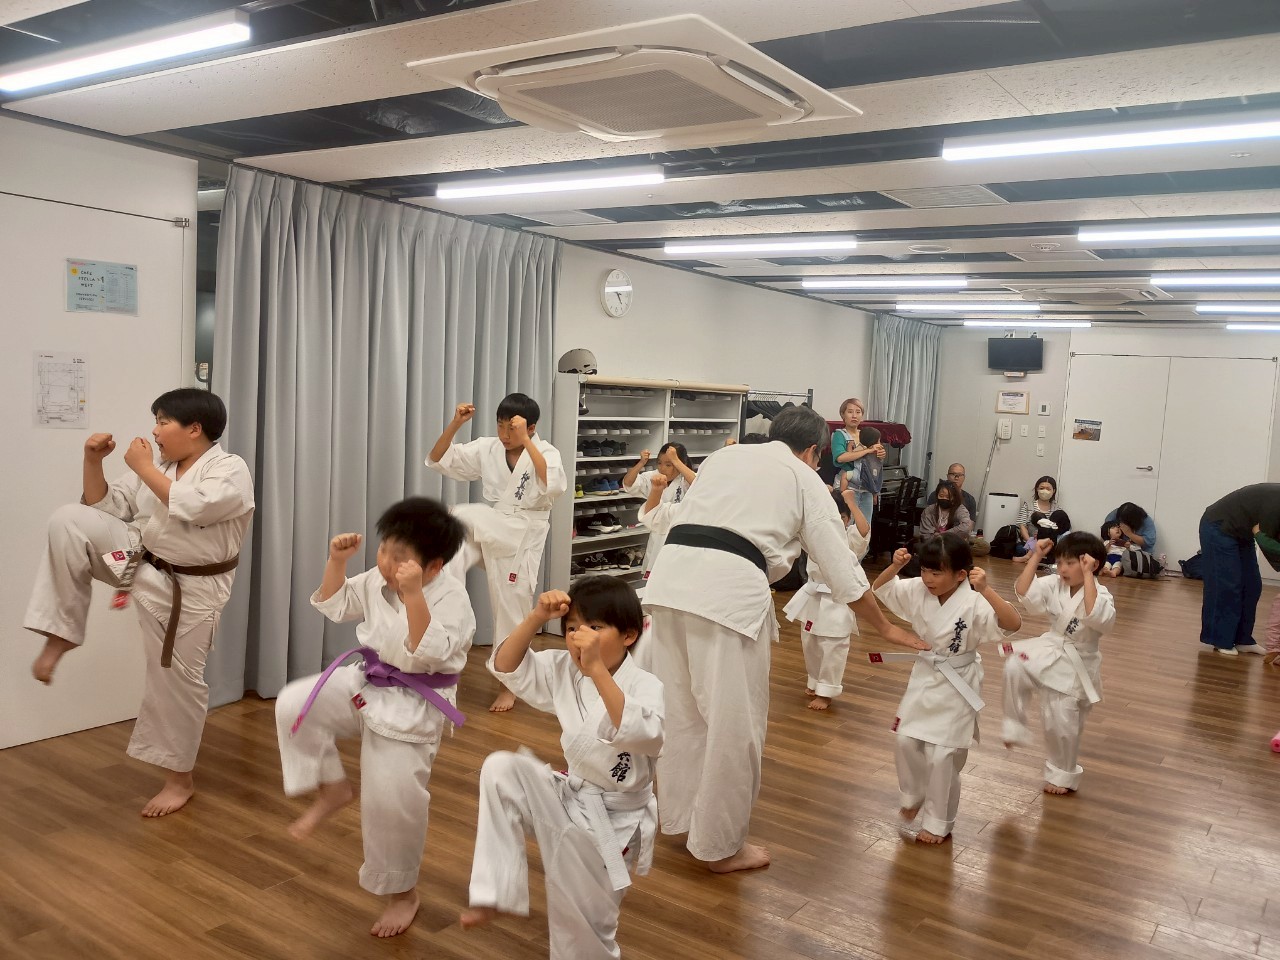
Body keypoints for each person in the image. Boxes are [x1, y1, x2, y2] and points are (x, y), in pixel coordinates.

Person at [642, 405, 927, 874]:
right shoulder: (804, 478)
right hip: (727, 593)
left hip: (668, 582)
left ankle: (682, 819)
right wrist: (886, 627)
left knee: (683, 711)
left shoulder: (723, 458)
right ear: (814, 451)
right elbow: (841, 567)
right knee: (733, 725)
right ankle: (719, 845)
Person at [24, 388, 253, 818]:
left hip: (193, 590)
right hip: (139, 563)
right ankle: (61, 633)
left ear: (195, 428)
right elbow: (106, 506)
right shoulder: (162, 465)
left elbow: (195, 509)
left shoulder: (229, 468)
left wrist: (143, 467)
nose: (155, 430)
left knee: (176, 681)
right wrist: (93, 460)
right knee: (69, 520)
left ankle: (179, 780)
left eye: (163, 421)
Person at [275, 498, 473, 938]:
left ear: (434, 566)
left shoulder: (452, 599)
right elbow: (336, 603)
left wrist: (414, 595)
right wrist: (337, 561)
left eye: (400, 557)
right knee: (294, 704)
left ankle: (403, 895)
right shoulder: (376, 578)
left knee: (391, 802)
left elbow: (429, 652)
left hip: (414, 703)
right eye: (384, 549)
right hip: (366, 681)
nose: (386, 562)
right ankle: (332, 788)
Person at [460, 578, 662, 960]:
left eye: (594, 627)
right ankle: (496, 891)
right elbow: (507, 666)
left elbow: (642, 734)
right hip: (571, 797)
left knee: (584, 926)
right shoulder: (565, 670)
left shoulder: (645, 685)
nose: (578, 638)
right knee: (501, 769)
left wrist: (598, 670)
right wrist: (536, 617)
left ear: (629, 635)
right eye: (571, 628)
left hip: (613, 819)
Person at [871, 533, 1020, 843]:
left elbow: (1012, 623)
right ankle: (914, 794)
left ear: (961, 574)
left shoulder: (973, 600)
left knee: (943, 754)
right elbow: (880, 589)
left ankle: (939, 822)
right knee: (905, 739)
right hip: (926, 674)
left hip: (959, 679)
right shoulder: (918, 588)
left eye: (937, 572)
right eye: (925, 570)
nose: (928, 578)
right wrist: (894, 566)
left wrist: (987, 589)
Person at [427, 394, 567, 711]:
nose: (504, 435)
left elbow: (554, 485)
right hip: (495, 526)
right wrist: (456, 424)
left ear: (531, 428)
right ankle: (442, 632)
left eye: (512, 429)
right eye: (500, 426)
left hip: (524, 535)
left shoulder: (546, 452)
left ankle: (510, 685)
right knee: (454, 532)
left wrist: (526, 442)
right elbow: (438, 458)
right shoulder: (488, 448)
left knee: (511, 609)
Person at [1001, 532, 1115, 794]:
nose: (1062, 569)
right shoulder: (1055, 583)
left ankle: (1062, 773)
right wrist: (1036, 556)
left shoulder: (1102, 594)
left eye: (1070, 563)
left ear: (1092, 564)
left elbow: (1096, 616)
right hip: (1050, 649)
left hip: (1078, 661)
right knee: (1015, 664)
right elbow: (1024, 592)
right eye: (1060, 562)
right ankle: (1014, 726)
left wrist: (1088, 576)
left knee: (1061, 719)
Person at [781, 474, 872, 711]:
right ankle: (815, 682)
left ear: (847, 519)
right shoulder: (815, 535)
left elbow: (864, 530)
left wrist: (850, 501)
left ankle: (827, 691)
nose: (837, 522)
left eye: (842, 517)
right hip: (813, 595)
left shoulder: (849, 537)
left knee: (833, 644)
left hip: (837, 599)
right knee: (810, 642)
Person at [1198, 483, 1280, 656]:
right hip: (1218, 525)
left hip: (1242, 532)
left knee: (1252, 585)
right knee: (1227, 585)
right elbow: (1264, 539)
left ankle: (1243, 639)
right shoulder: (1276, 504)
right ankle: (1221, 639)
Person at [622, 442, 696, 577]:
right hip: (658, 535)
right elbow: (628, 484)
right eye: (659, 463)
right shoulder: (654, 477)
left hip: (681, 535)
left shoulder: (686, 478)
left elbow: (700, 485)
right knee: (655, 576)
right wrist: (641, 463)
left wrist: (676, 461)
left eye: (668, 465)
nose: (662, 468)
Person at [830, 397, 885, 521]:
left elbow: (875, 459)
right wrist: (867, 450)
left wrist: (881, 453)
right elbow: (840, 458)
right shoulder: (839, 435)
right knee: (847, 524)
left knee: (865, 526)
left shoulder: (867, 433)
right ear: (843, 414)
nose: (854, 415)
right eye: (850, 412)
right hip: (848, 487)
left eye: (858, 412)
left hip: (866, 486)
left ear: (862, 415)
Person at [1013, 476, 1070, 562]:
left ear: (1054, 491)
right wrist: (1031, 542)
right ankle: (1035, 553)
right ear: (1037, 489)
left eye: (1048, 489)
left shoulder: (1057, 509)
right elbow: (1022, 526)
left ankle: (1034, 555)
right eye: (1042, 488)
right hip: (1030, 542)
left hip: (1050, 542)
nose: (1045, 491)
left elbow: (1061, 529)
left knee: (1058, 517)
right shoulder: (1028, 505)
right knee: (1020, 549)